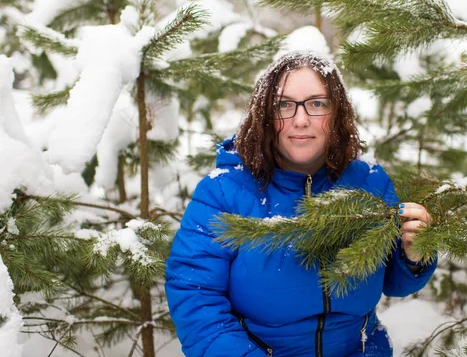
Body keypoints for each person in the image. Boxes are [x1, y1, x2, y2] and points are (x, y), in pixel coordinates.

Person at [165, 51, 437, 357]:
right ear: (265, 114)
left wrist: (413, 256)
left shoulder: (370, 182)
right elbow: (195, 296)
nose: (301, 119)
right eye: (284, 105)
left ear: (337, 112)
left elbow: (394, 284)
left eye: (317, 103)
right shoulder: (223, 192)